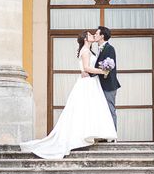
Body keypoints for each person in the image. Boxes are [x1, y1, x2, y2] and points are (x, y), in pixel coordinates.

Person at [20, 31, 117, 160]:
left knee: (90, 109)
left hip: (92, 82)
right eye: (89, 35)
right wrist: (102, 71)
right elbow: (87, 68)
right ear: (85, 39)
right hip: (87, 83)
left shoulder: (90, 50)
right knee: (84, 109)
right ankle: (81, 135)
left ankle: (89, 133)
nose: (93, 35)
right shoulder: (85, 51)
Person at [93, 26, 121, 130]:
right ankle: (104, 134)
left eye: (96, 33)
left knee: (110, 109)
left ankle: (113, 136)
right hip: (100, 85)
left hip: (109, 85)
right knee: (102, 111)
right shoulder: (99, 49)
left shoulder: (110, 48)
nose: (94, 35)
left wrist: (91, 71)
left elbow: (109, 67)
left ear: (102, 36)